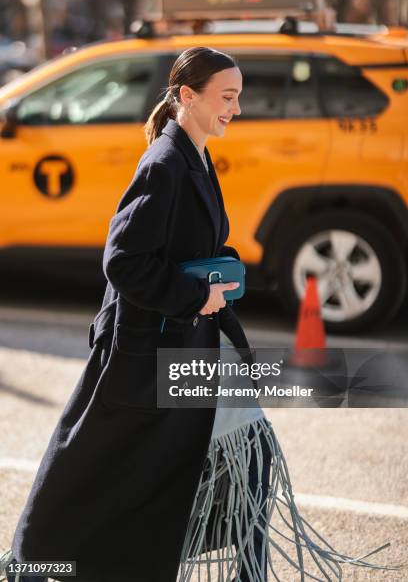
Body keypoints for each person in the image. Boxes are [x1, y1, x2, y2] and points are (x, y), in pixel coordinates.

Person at [0, 47, 402, 582]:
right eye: (228, 97)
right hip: (145, 352)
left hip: (186, 343)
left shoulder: (196, 152)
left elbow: (183, 245)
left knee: (245, 457)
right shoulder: (165, 164)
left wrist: (222, 269)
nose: (237, 109)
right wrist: (194, 296)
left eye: (239, 97)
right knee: (90, 470)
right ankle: (35, 562)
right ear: (187, 96)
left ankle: (243, 570)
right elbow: (122, 261)